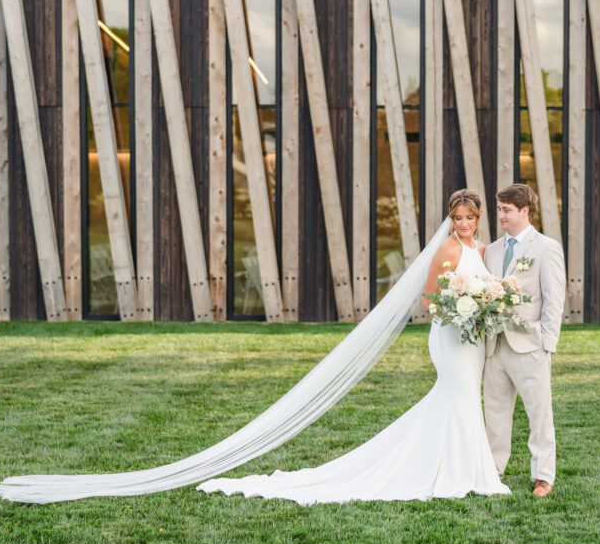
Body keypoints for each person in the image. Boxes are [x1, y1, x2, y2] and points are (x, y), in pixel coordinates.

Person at [195, 189, 510, 504]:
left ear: (478, 217)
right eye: (458, 218)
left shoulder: (480, 249)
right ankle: (457, 470)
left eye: (469, 218)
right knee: (460, 395)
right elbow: (430, 299)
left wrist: (482, 306)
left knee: (466, 400)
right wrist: (460, 308)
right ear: (451, 218)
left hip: (473, 338)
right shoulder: (447, 248)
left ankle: (463, 466)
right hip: (450, 337)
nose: (463, 223)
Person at [483, 184, 565, 498]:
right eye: (499, 208)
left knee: (539, 415)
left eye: (506, 210)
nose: (500, 215)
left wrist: (547, 343)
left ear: (524, 211)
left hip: (530, 345)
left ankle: (543, 477)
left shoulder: (546, 247)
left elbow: (554, 300)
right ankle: (493, 472)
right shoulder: (490, 250)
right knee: (495, 415)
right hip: (495, 346)